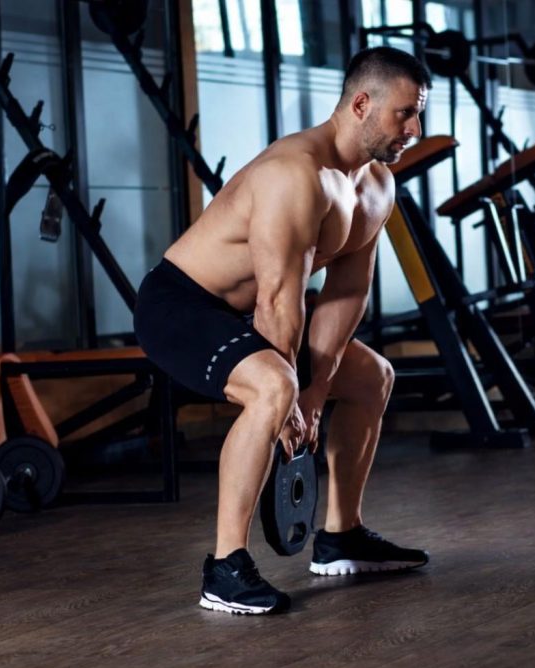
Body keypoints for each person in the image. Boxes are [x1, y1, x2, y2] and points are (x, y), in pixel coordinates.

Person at [134, 46, 432, 615]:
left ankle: (342, 535)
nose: (415, 129)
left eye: (420, 115)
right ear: (361, 104)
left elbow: (347, 294)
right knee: (273, 389)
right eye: (405, 114)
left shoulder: (376, 186)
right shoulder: (293, 175)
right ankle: (224, 568)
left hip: (251, 315)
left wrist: (318, 389)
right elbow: (277, 299)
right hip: (182, 307)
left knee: (373, 376)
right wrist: (295, 394)